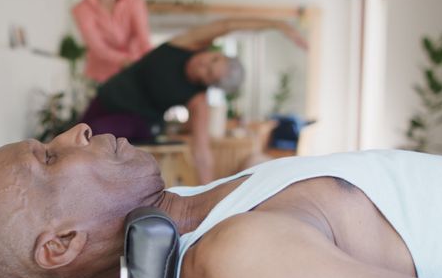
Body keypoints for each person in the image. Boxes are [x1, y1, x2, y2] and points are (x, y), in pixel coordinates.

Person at [0, 124, 442, 278]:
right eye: (48, 157)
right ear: (62, 242)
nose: (76, 131)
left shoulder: (191, 212)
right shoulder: (239, 259)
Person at [80, 18, 307, 184]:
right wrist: (278, 25)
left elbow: (202, 151)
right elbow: (227, 25)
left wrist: (208, 191)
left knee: (93, 137)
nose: (204, 66)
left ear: (210, 84)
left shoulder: (198, 99)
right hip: (109, 96)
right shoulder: (186, 44)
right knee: (74, 134)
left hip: (137, 120)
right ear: (214, 52)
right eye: (213, 60)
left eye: (210, 74)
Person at [72, 0, 152, 83]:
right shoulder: (82, 9)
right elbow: (98, 47)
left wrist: (153, 61)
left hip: (135, 70)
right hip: (102, 76)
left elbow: (143, 37)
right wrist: (125, 60)